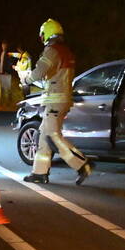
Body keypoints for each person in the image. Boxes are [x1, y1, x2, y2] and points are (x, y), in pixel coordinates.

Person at [22, 18, 94, 185]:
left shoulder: (52, 51)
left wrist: (26, 79)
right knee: (44, 136)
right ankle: (39, 172)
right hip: (61, 99)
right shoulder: (65, 51)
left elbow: (39, 72)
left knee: (53, 137)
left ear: (46, 34)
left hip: (55, 101)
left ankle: (82, 164)